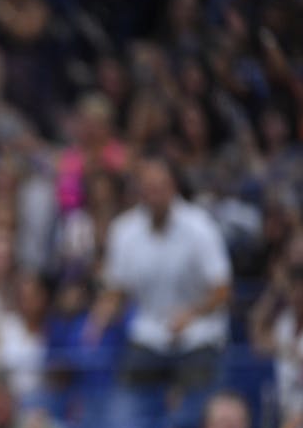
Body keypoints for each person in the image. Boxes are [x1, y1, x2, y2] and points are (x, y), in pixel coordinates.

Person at [86, 156, 232, 402]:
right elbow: (117, 289)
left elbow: (223, 290)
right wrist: (101, 314)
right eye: (147, 188)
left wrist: (192, 314)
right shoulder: (124, 231)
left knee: (192, 408)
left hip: (198, 336)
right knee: (128, 399)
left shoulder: (200, 227)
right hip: (148, 336)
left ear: (173, 186)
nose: (153, 194)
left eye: (159, 187)